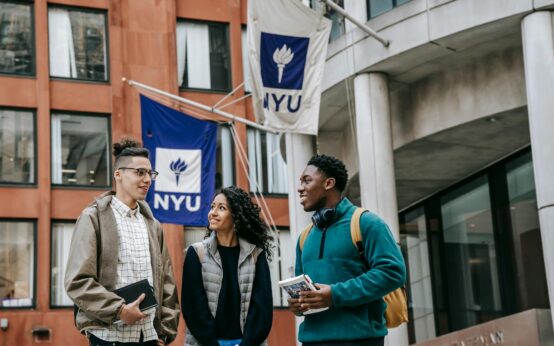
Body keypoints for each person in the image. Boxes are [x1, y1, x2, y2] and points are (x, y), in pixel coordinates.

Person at [65, 138, 180, 346]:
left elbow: (167, 283)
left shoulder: (153, 225)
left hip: (149, 338)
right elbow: (78, 281)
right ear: (118, 174)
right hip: (109, 337)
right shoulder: (93, 218)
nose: (147, 180)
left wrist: (164, 334)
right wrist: (119, 310)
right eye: (140, 172)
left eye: (150, 173)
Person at [288, 154, 406, 346]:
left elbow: (392, 272)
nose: (300, 188)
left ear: (329, 183)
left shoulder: (366, 223)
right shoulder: (304, 238)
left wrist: (334, 295)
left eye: (307, 181)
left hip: (361, 340)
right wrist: (299, 304)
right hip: (312, 341)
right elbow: (305, 290)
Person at [181, 186, 273, 346]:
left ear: (236, 216)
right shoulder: (196, 253)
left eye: (221, 208)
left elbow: (262, 309)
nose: (213, 213)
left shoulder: (256, 254)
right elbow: (194, 308)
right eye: (212, 207)